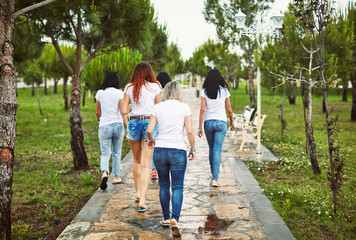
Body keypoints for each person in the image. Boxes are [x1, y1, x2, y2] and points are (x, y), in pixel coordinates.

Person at [147, 81, 196, 237]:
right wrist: (193, 148)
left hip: (160, 150)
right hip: (178, 151)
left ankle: (166, 218)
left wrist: (151, 139)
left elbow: (149, 130)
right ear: (178, 92)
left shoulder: (157, 107)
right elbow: (189, 132)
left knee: (163, 185)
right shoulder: (184, 107)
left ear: (166, 91)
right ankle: (175, 218)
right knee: (177, 187)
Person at [121, 61, 162, 212]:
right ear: (149, 72)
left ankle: (138, 193)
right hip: (149, 123)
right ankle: (143, 201)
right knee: (146, 164)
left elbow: (124, 110)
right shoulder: (155, 87)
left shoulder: (129, 87)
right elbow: (158, 108)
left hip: (133, 122)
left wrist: (133, 107)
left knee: (136, 160)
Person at [197, 69, 234, 187]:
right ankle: (215, 178)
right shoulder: (224, 91)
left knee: (211, 148)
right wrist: (232, 121)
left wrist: (199, 126)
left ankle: (213, 172)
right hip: (221, 122)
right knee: (217, 149)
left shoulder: (204, 91)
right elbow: (229, 109)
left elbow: (203, 109)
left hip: (208, 122)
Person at [95, 71, 126, 190]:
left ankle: (104, 173)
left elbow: (98, 112)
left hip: (104, 125)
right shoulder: (120, 93)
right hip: (118, 124)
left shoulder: (100, 93)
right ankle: (116, 177)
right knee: (117, 152)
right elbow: (122, 110)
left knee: (105, 152)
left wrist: (99, 120)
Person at [150, 72, 172, 180]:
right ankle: (163, 171)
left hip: (155, 119)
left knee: (154, 145)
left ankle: (154, 170)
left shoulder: (155, 89)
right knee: (165, 144)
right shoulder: (169, 92)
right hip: (166, 120)